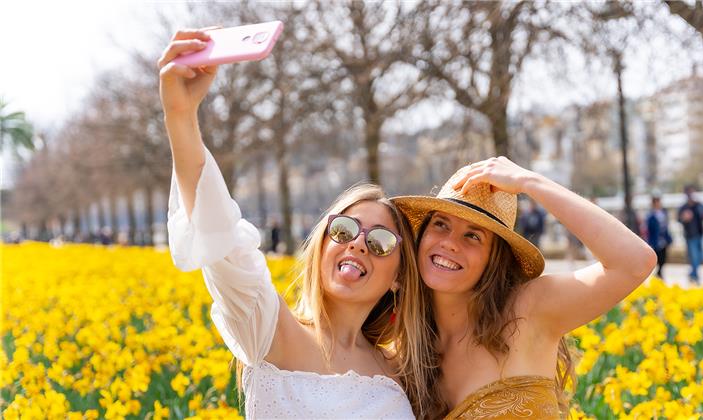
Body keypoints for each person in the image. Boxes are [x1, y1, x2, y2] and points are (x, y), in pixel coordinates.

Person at [159, 28, 416, 418]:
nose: (358, 244)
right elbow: (221, 237)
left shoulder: (405, 371)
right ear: (322, 245)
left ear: (400, 275)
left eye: (380, 241)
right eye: (344, 230)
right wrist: (180, 115)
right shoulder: (269, 328)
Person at [391, 157, 656, 418]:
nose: (450, 243)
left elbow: (634, 262)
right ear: (421, 236)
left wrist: (530, 182)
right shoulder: (404, 352)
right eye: (441, 224)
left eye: (473, 235)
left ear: (495, 258)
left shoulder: (527, 311)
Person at [678, 185, 703, 284]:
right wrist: (684, 218)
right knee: (694, 257)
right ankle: (695, 276)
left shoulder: (698, 205)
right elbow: (679, 219)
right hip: (690, 236)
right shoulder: (683, 207)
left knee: (701, 257)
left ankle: (692, 273)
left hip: (700, 234)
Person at [646, 195, 672, 279]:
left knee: (663, 258)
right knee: (658, 258)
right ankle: (659, 274)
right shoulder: (650, 215)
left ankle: (659, 273)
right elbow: (649, 229)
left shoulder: (663, 213)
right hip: (656, 240)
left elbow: (666, 226)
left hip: (664, 239)